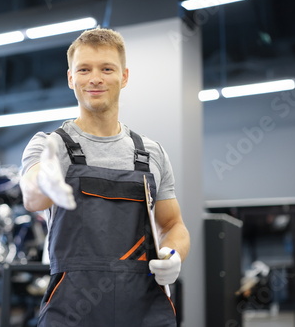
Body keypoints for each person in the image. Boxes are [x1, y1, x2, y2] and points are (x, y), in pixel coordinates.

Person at [20, 28, 190, 327]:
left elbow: (173, 224)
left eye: (106, 69)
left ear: (124, 77)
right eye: (84, 69)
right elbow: (32, 196)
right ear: (71, 78)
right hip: (72, 311)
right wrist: (44, 180)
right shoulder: (50, 146)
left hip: (144, 310)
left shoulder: (151, 153)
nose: (95, 78)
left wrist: (174, 254)